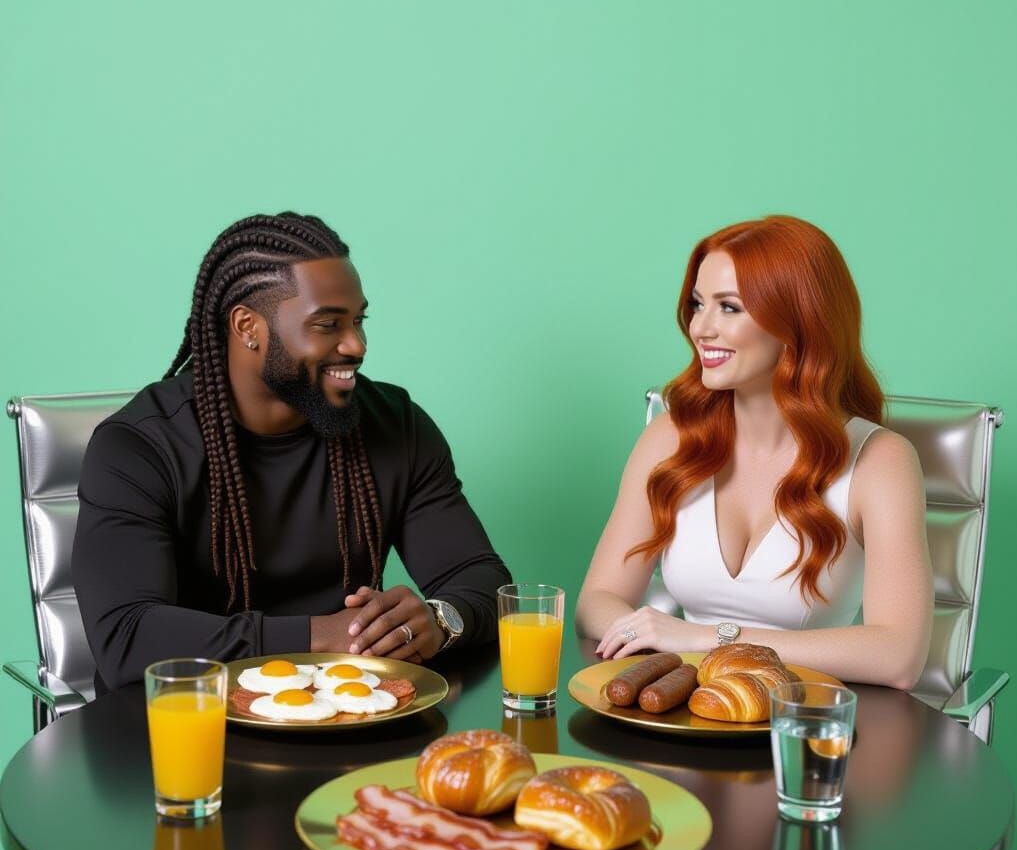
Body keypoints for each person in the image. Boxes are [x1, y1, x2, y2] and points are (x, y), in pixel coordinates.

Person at [73, 212, 510, 695]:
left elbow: (483, 578)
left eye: (358, 320)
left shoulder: (395, 425)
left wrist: (441, 619)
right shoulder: (139, 447)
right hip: (183, 731)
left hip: (349, 718)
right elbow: (126, 636)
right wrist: (319, 635)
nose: (357, 345)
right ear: (247, 326)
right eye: (327, 325)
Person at [576, 215, 932, 689]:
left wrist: (709, 638)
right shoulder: (670, 439)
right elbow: (596, 600)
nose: (701, 327)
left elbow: (899, 656)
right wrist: (652, 635)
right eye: (698, 304)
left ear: (798, 322)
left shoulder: (880, 461)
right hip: (684, 711)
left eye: (730, 308)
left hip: (803, 728)